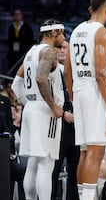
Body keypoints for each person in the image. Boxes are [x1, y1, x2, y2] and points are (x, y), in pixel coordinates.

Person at [64, 0, 106, 200]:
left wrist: (73, 96)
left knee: (85, 152)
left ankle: (83, 197)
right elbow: (100, 73)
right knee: (95, 152)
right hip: (95, 92)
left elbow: (67, 72)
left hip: (79, 91)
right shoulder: (102, 32)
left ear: (90, 9)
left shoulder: (76, 30)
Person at [16, 18, 66, 200]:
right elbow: (40, 79)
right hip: (45, 111)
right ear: (53, 33)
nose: (63, 37)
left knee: (33, 162)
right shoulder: (49, 51)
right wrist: (53, 106)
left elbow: (16, 83)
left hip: (31, 108)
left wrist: (27, 102)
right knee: (46, 163)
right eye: (62, 32)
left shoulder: (31, 52)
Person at [51, 40, 80, 200]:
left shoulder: (77, 70)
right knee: (53, 168)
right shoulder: (50, 70)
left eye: (64, 48)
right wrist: (63, 113)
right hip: (57, 124)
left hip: (77, 126)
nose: (61, 50)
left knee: (75, 169)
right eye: (58, 47)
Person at [7, 9, 34, 74]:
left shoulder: (27, 27)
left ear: (21, 16)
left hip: (23, 52)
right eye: (15, 14)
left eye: (19, 14)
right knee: (13, 69)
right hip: (13, 53)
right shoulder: (11, 27)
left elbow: (30, 40)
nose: (17, 16)